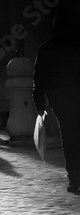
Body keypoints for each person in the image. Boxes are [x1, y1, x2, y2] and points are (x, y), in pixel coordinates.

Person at [32, 11, 80, 193]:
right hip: (76, 94)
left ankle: (74, 178)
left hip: (59, 98)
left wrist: (39, 106)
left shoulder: (46, 49)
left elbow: (39, 79)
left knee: (68, 136)